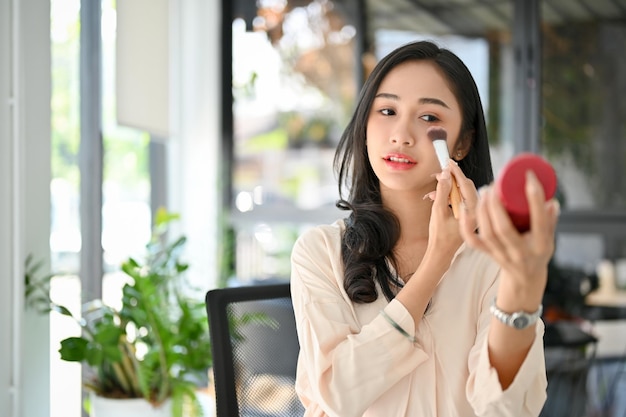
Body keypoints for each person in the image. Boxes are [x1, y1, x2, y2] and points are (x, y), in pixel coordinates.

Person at [289, 40, 560, 417]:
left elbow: (506, 407)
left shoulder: (490, 258)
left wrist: (523, 290)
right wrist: (436, 262)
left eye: (430, 118)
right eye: (387, 110)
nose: (401, 133)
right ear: (365, 125)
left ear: (462, 143)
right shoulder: (320, 252)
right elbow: (337, 394)